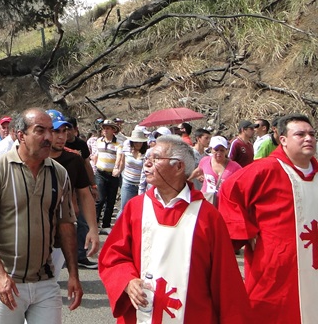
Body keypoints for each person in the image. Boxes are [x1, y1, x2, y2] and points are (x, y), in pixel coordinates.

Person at [99, 134, 249, 323]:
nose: (147, 164)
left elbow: (225, 279)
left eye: (156, 159)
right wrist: (127, 281)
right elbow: (113, 257)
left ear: (179, 166)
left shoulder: (207, 216)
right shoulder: (135, 207)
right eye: (148, 158)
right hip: (141, 314)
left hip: (192, 314)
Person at [0, 108, 82, 324]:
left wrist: (73, 275)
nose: (48, 138)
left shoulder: (59, 173)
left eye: (50, 131)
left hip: (46, 281)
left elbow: (66, 225)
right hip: (8, 281)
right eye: (39, 131)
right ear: (20, 135)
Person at [220, 114, 318, 323]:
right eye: (300, 134)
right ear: (282, 139)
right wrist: (244, 232)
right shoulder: (265, 169)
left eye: (311, 134)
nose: (308, 138)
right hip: (275, 263)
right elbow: (229, 192)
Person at [47, 116, 99, 271]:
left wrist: (93, 229)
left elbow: (84, 194)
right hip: (34, 230)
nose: (62, 136)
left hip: (63, 228)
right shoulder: (33, 158)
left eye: (65, 131)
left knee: (52, 280)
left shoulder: (74, 158)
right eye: (56, 131)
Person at [191, 136, 241, 206]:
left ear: (226, 150)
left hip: (224, 203)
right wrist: (186, 181)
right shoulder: (205, 160)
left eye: (222, 150)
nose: (219, 153)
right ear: (211, 149)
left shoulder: (235, 167)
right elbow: (198, 172)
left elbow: (243, 182)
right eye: (216, 150)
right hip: (206, 200)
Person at [92, 119, 122, 232]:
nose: (105, 130)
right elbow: (96, 154)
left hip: (113, 175)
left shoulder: (118, 144)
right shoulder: (99, 141)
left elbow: (119, 157)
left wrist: (116, 167)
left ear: (113, 130)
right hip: (100, 173)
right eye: (104, 128)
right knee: (99, 199)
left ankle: (106, 225)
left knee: (111, 200)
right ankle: (95, 223)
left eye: (108, 128)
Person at [116, 127, 147, 212]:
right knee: (124, 209)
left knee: (138, 210)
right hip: (128, 184)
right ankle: (119, 225)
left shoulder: (146, 154)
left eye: (140, 142)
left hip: (141, 185)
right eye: (136, 142)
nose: (138, 144)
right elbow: (122, 163)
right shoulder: (127, 151)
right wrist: (118, 171)